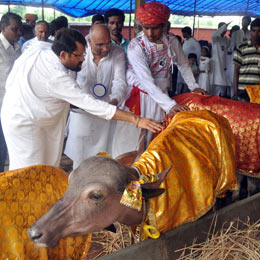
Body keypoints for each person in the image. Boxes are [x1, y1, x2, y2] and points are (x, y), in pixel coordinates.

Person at [1, 28, 162, 171]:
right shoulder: (56, 77)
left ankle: (47, 202)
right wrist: (136, 119)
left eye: (84, 54)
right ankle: (27, 204)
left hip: (42, 117)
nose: (83, 59)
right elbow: (89, 103)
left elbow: (29, 49)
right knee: (29, 171)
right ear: (63, 54)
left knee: (49, 168)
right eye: (79, 56)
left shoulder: (44, 48)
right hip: (24, 121)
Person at [113, 2, 205, 156]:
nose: (149, 33)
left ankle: (152, 173)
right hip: (141, 95)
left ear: (164, 25)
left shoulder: (171, 41)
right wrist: (170, 105)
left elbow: (182, 64)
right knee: (134, 141)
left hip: (160, 95)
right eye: (145, 27)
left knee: (155, 139)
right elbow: (147, 82)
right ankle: (133, 174)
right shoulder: (136, 46)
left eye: (154, 27)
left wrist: (193, 86)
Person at [64, 24, 127, 169]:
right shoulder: (79, 51)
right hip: (82, 113)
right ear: (89, 42)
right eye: (100, 45)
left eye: (108, 43)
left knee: (103, 159)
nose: (105, 49)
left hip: (107, 112)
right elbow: (69, 80)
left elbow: (120, 82)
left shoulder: (117, 52)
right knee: (80, 159)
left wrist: (114, 101)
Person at [0, 12, 22, 172]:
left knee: (11, 149)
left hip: (13, 107)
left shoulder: (17, 48)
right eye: (15, 29)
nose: (19, 33)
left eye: (20, 29)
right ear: (3, 28)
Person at [233, 18, 260, 102]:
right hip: (243, 90)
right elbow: (236, 70)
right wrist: (235, 91)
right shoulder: (242, 47)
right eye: (254, 31)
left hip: (258, 91)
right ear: (251, 32)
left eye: (259, 31)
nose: (256, 34)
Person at [211, 22, 231, 97]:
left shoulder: (226, 40)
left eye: (225, 29)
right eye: (223, 28)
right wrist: (223, 27)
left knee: (223, 84)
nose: (224, 30)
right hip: (216, 64)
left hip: (224, 65)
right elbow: (214, 35)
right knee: (216, 84)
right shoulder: (215, 38)